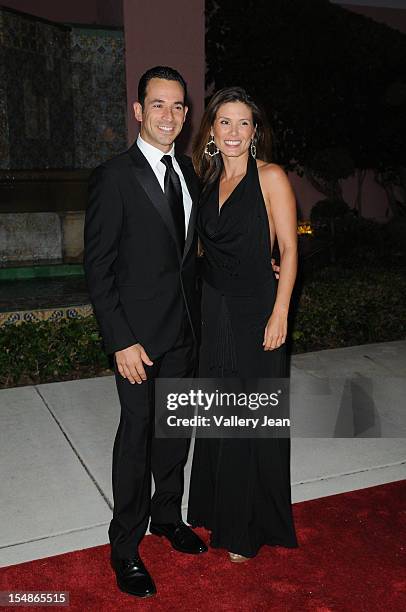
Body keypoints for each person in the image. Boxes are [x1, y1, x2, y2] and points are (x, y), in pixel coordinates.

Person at [84, 66, 207, 599]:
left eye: (178, 106)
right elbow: (98, 266)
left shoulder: (188, 173)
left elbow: (192, 256)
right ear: (138, 110)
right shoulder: (115, 176)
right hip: (136, 341)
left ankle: (167, 518)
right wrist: (119, 340)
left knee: (174, 434)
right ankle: (125, 546)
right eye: (158, 104)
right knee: (135, 439)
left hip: (183, 333)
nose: (170, 116)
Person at [187, 87, 299, 562]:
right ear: (211, 131)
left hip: (257, 311)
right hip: (215, 311)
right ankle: (217, 509)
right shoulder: (205, 181)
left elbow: (290, 250)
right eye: (225, 122)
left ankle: (247, 528)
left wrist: (280, 311)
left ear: (255, 132)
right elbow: (199, 251)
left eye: (244, 123)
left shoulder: (271, 176)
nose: (234, 131)